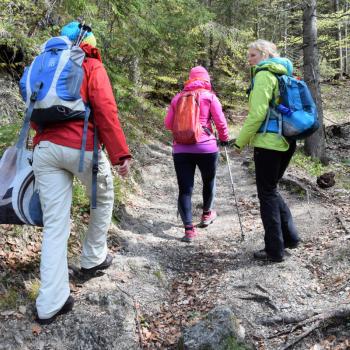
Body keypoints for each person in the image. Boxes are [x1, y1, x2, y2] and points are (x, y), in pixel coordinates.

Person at [31, 22, 131, 324]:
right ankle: (93, 257)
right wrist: (119, 154)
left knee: (55, 225)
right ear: (86, 41)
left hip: (45, 150)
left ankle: (50, 302)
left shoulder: (44, 66)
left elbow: (34, 112)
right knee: (102, 197)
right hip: (83, 148)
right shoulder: (90, 65)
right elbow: (106, 111)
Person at [233, 39, 300, 262]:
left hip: (269, 143)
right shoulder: (284, 74)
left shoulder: (263, 75)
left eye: (252, 55)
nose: (249, 59)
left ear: (264, 54)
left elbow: (257, 114)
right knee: (272, 189)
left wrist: (239, 142)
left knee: (267, 194)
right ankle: (290, 238)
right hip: (288, 140)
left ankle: (274, 250)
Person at [165, 66, 229, 243]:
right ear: (206, 79)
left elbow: (168, 124)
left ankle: (189, 230)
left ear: (190, 79)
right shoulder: (210, 97)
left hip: (181, 149)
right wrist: (224, 139)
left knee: (185, 189)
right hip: (206, 147)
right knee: (208, 181)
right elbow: (220, 122)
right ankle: (207, 214)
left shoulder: (178, 98)